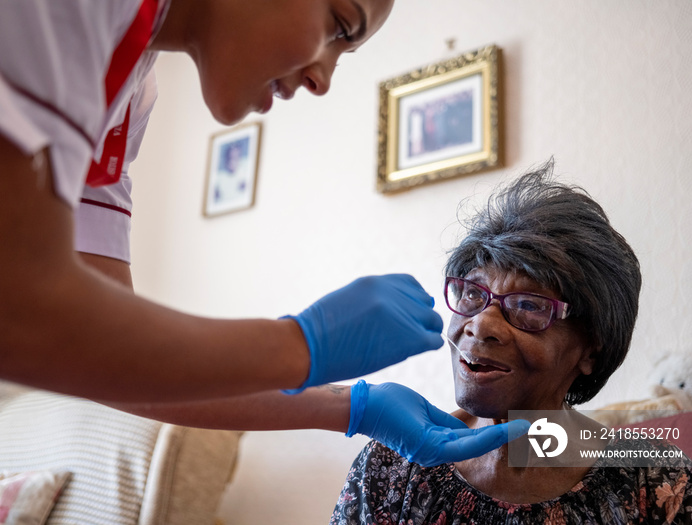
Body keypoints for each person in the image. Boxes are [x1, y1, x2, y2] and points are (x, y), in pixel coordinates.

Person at [0, 0, 526, 466]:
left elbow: (105, 357)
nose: (324, 78)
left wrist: (353, 406)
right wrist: (301, 345)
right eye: (339, 23)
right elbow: (21, 313)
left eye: (530, 306)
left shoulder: (129, 96)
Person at [330, 161, 692, 524]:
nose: (480, 325)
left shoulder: (656, 480)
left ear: (590, 349)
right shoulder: (394, 463)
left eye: (528, 306)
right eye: (472, 293)